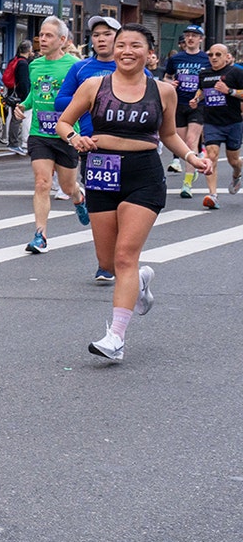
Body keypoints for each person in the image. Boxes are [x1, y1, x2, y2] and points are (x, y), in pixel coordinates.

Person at [56, 24, 213, 361]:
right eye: (121, 45)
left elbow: (169, 134)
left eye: (136, 45)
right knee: (108, 262)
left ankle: (116, 337)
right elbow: (63, 122)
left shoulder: (163, 91)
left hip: (144, 174)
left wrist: (191, 157)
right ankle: (140, 280)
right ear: (113, 50)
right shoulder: (94, 85)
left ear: (150, 53)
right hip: (101, 172)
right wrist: (75, 139)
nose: (127, 51)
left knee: (126, 256)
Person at [54, 15, 125, 280]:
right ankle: (105, 264)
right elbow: (60, 102)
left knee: (126, 207)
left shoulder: (132, 67)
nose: (101, 39)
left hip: (129, 147)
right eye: (96, 35)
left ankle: (122, 256)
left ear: (118, 37)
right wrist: (87, 97)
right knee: (101, 208)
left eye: (107, 34)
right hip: (93, 146)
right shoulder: (81, 69)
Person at [12, 16, 87, 253]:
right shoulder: (34, 65)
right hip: (40, 133)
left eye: (48, 36)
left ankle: (78, 196)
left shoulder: (75, 66)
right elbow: (35, 95)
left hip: (66, 135)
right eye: (41, 35)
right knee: (42, 182)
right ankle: (40, 235)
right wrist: (23, 106)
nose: (42, 39)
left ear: (62, 40)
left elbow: (84, 99)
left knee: (67, 187)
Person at [191, 43, 243, 209]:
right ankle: (213, 195)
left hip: (233, 122)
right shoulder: (204, 73)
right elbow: (201, 90)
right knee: (211, 156)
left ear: (227, 57)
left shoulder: (236, 72)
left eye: (218, 54)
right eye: (211, 55)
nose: (213, 58)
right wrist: (196, 99)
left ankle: (237, 174)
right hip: (212, 122)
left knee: (233, 160)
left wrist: (229, 91)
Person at [164, 24, 208, 178]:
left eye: (194, 36)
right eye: (188, 35)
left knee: (191, 141)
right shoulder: (176, 58)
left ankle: (187, 183)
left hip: (198, 105)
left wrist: (200, 96)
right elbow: (167, 77)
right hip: (179, 103)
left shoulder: (206, 59)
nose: (190, 38)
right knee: (182, 143)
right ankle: (193, 166)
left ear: (200, 39)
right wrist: (169, 83)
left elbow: (210, 82)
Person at [6, 40, 33, 155]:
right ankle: (22, 143)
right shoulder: (23, 64)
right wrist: (26, 97)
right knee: (23, 118)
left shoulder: (14, 60)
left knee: (12, 117)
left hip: (12, 93)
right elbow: (24, 82)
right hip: (21, 96)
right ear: (29, 50)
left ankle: (10, 140)